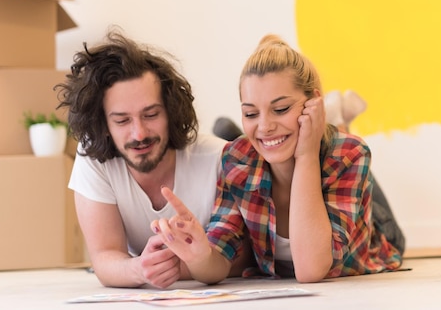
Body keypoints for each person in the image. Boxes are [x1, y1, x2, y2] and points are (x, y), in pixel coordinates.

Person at [151, 34, 404, 284]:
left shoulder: (351, 154)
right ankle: (247, 131)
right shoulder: (236, 159)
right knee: (241, 144)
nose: (265, 125)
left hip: (375, 230)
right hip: (265, 155)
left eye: (281, 109)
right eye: (250, 113)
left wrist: (306, 153)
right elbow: (217, 263)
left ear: (313, 103)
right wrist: (200, 255)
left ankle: (336, 121)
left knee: (341, 145)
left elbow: (310, 271)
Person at [55, 29, 249, 288]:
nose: (139, 133)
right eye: (122, 120)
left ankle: (234, 135)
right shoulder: (93, 160)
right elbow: (104, 257)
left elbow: (243, 258)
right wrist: (138, 269)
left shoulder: (221, 159)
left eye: (151, 115)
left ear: (171, 112)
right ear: (103, 124)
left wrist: (174, 266)